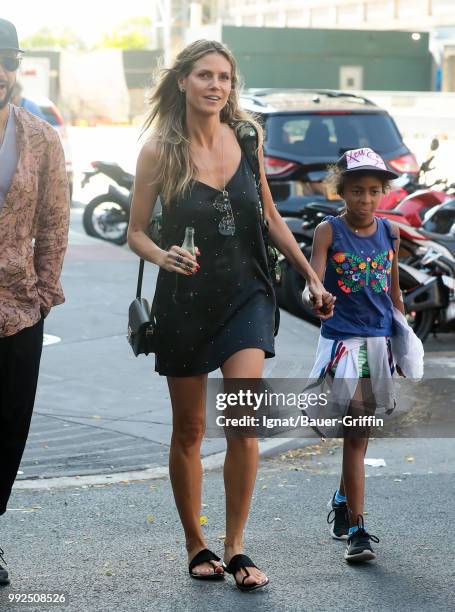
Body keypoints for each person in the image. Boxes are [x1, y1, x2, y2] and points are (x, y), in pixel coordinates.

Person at [127, 39, 335, 591]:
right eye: (204, 75)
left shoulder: (248, 136)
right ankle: (197, 544)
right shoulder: (159, 151)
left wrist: (310, 276)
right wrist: (162, 254)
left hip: (247, 292)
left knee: (244, 423)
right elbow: (135, 232)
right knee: (191, 428)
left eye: (224, 76)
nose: (216, 86)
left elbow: (268, 214)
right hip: (185, 300)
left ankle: (236, 546)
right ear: (182, 82)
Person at [304, 147, 405, 563]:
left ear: (383, 193)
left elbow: (394, 291)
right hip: (344, 346)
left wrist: (402, 340)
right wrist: (317, 296)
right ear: (341, 191)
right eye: (357, 191)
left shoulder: (391, 232)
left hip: (380, 345)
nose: (365, 199)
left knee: (359, 437)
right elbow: (312, 281)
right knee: (356, 430)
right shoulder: (328, 231)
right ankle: (358, 531)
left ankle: (344, 499)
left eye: (374, 191)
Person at [0, 18, 69, 585]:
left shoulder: (40, 137)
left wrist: (44, 293)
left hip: (19, 306)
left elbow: (54, 223)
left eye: (4, 61)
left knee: (9, 425)